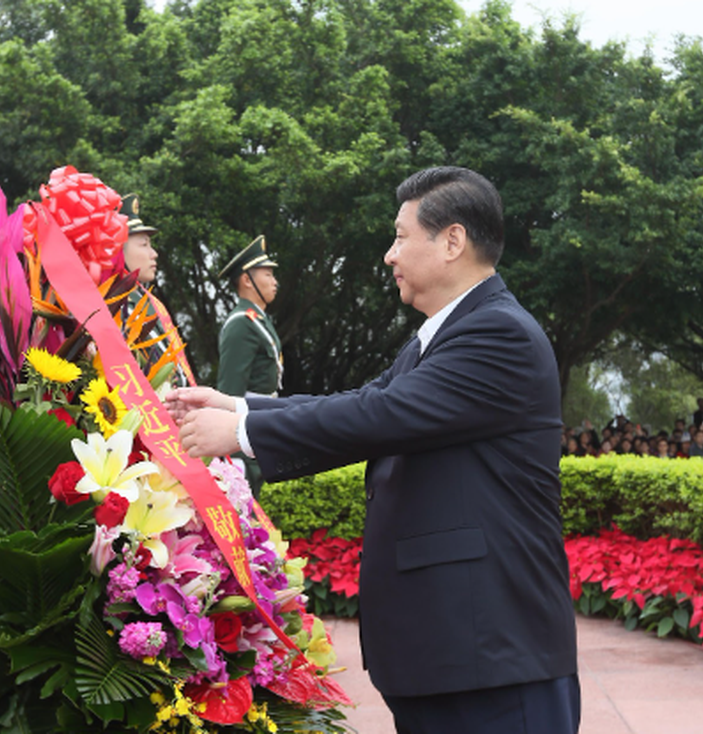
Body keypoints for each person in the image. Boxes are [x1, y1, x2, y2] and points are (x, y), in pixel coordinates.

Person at [169, 167, 580, 734]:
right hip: (455, 654)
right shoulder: (444, 334)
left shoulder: (497, 333)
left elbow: (377, 416)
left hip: (491, 659)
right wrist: (237, 406)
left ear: (452, 241)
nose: (389, 255)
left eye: (400, 236)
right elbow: (369, 400)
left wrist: (240, 436)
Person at [215, 235, 284, 496]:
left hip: (261, 423)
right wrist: (234, 452)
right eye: (267, 274)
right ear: (247, 280)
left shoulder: (258, 320)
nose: (275, 282)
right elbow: (230, 390)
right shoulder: (241, 323)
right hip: (246, 432)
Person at [118, 193, 196, 387]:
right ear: (118, 249)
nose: (154, 254)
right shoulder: (115, 303)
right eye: (144, 245)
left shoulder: (143, 298)